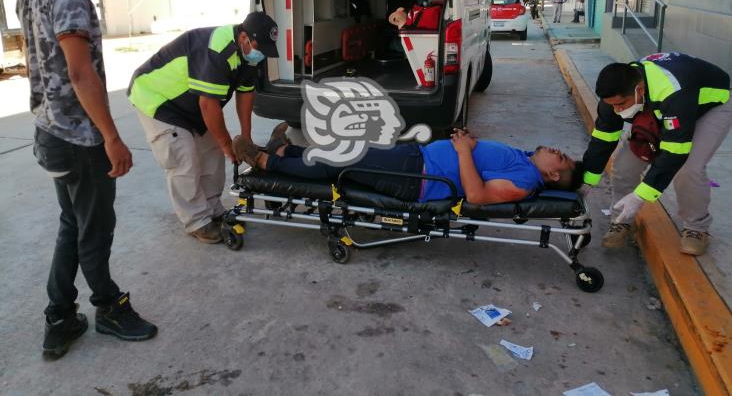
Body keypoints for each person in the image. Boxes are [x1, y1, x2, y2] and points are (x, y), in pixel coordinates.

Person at [18, 0, 157, 360]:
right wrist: (111, 138)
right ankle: (110, 308)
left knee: (70, 225)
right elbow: (81, 74)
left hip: (49, 133)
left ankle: (60, 318)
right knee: (94, 230)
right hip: (79, 138)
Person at [127, 12, 280, 244]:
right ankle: (197, 221)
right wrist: (228, 144)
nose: (262, 54)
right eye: (260, 47)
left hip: (191, 102)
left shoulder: (250, 56)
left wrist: (245, 138)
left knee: (212, 153)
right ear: (243, 37)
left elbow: (246, 95)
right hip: (158, 98)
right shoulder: (217, 50)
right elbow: (208, 105)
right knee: (183, 156)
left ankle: (212, 208)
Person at [581, 53, 732, 255]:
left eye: (622, 105)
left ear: (639, 90)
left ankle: (697, 228)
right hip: (666, 107)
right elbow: (603, 139)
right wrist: (586, 181)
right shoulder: (615, 95)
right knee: (625, 165)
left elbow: (675, 152)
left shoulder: (672, 90)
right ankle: (622, 221)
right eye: (612, 105)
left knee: (688, 169)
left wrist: (641, 195)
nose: (617, 111)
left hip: (712, 106)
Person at [234, 129, 583, 204]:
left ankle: (266, 161)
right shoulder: (525, 159)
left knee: (337, 167)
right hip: (417, 160)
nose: (557, 149)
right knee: (345, 150)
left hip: (417, 180)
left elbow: (476, 195)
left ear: (553, 175)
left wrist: (463, 150)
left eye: (562, 157)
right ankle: (288, 150)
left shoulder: (524, 182)